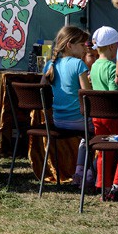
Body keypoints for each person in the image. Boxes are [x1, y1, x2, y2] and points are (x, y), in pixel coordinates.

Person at [42, 25, 93, 186]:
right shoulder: (78, 65)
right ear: (70, 45)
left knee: (87, 133)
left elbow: (42, 91)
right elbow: (88, 95)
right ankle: (88, 172)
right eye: (82, 45)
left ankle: (81, 172)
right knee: (98, 130)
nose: (85, 49)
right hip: (78, 120)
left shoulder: (49, 65)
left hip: (58, 120)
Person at [88, 26, 118, 201]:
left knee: (104, 151)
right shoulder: (111, 68)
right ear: (113, 47)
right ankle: (117, 186)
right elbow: (115, 93)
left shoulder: (94, 66)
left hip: (97, 117)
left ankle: (102, 185)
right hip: (112, 117)